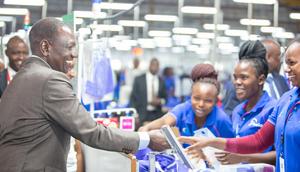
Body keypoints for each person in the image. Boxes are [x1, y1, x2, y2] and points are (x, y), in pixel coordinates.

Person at [0, 18, 168, 172]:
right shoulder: (50, 79)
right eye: (69, 46)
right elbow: (92, 132)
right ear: (45, 47)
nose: (75, 54)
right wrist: (146, 139)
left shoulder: (25, 75)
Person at [179, 38, 300, 172]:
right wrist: (210, 143)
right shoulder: (286, 100)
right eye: (285, 63)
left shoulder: (272, 104)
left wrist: (242, 158)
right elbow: (258, 140)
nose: (286, 69)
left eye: (292, 63)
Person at [215, 41, 277, 165]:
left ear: (261, 80)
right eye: (235, 77)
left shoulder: (273, 109)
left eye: (244, 77)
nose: (237, 82)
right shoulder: (237, 110)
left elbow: (280, 152)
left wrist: (243, 158)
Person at [139, 63, 234, 139]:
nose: (201, 104)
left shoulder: (221, 120)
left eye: (208, 100)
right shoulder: (185, 109)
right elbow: (165, 120)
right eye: (197, 98)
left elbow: (232, 149)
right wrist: (146, 128)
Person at [130, 58, 167, 126]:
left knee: (155, 135)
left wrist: (160, 101)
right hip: (142, 114)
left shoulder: (161, 81)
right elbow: (133, 98)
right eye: (153, 65)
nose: (155, 67)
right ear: (149, 65)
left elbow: (165, 98)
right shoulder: (139, 80)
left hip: (157, 114)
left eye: (157, 66)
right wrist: (134, 115)